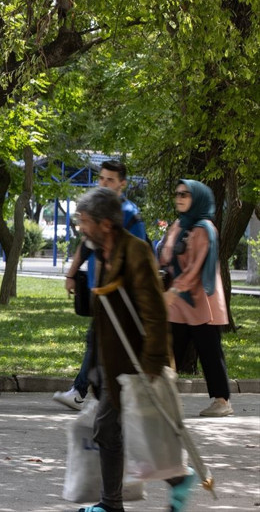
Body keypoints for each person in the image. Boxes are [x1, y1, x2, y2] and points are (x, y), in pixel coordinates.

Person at [74, 187, 196, 512]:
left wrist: (152, 365)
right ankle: (114, 502)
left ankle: (169, 483)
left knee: (127, 431)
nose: (81, 228)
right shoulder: (103, 252)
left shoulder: (135, 251)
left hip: (136, 363)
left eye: (85, 221)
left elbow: (154, 312)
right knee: (113, 431)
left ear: (105, 224)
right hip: (115, 361)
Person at [56, 160, 146, 410]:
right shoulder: (97, 209)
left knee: (99, 340)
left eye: (110, 180)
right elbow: (86, 244)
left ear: (122, 184)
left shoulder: (129, 213)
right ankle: (101, 395)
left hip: (120, 291)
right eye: (102, 178)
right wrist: (71, 274)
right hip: (100, 288)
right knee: (100, 340)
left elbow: (138, 253)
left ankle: (83, 392)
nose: (104, 183)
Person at [159, 179, 232, 417]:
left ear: (197, 198)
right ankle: (161, 397)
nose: (179, 198)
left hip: (202, 301)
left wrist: (174, 289)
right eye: (177, 193)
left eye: (185, 194)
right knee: (170, 347)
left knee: (209, 351)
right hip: (180, 300)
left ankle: (222, 401)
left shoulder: (204, 229)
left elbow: (196, 268)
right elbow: (165, 257)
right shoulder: (180, 224)